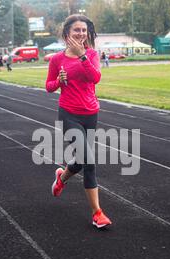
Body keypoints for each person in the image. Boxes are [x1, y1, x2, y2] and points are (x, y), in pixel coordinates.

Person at [46, 14, 112, 229]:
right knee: (89, 162)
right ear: (67, 33)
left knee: (81, 161)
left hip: (91, 113)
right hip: (69, 114)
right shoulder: (57, 59)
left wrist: (82, 56)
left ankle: (61, 177)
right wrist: (59, 81)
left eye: (84, 30)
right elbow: (48, 86)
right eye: (77, 30)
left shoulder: (91, 54)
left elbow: (95, 78)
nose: (81, 34)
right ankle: (97, 214)